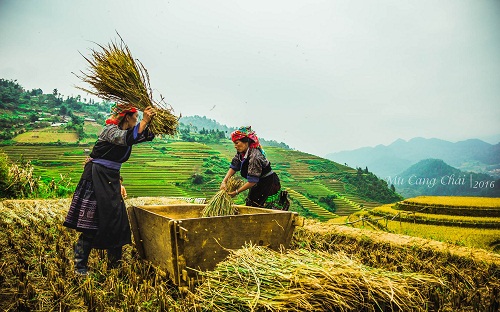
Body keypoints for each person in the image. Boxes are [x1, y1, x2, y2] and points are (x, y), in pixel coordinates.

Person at [63, 104, 156, 275]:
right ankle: (80, 267)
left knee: (117, 221)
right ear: (127, 117)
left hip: (111, 179)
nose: (137, 120)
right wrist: (145, 121)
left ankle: (115, 266)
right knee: (92, 223)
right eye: (136, 117)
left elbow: (144, 136)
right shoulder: (110, 130)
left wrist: (155, 123)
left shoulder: (129, 134)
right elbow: (127, 138)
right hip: (95, 178)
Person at [220, 126, 289, 210]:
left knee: (264, 207)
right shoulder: (241, 152)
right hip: (258, 183)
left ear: (246, 142)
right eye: (234, 143)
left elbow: (252, 181)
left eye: (237, 143)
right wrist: (224, 181)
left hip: (268, 183)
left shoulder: (254, 156)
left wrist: (236, 192)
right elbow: (234, 166)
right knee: (251, 204)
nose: (235, 146)